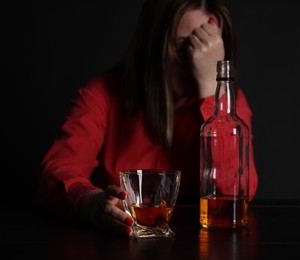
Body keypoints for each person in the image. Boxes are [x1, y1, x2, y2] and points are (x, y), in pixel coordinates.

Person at [38, 0, 258, 237]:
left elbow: (237, 190)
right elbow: (57, 173)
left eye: (210, 50)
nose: (197, 61)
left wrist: (211, 86)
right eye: (187, 45)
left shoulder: (228, 108)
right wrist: (92, 203)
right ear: (153, 43)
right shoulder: (103, 95)